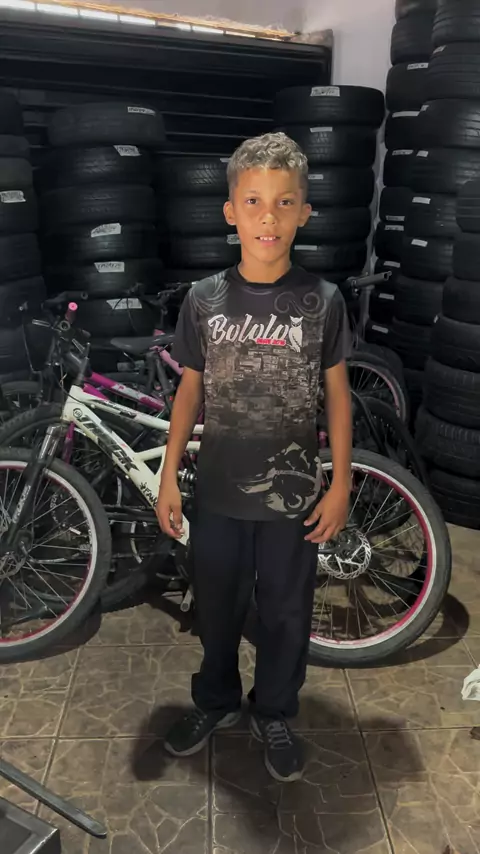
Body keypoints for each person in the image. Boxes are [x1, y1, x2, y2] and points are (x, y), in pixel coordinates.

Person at [156, 132, 352, 783]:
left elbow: (337, 395)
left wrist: (341, 482)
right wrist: (168, 474)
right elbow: (190, 390)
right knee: (216, 607)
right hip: (216, 493)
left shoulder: (322, 301)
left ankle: (274, 710)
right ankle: (215, 701)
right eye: (254, 201)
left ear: (304, 212)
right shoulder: (204, 299)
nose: (269, 216)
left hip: (292, 498)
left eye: (284, 201)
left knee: (286, 614)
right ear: (230, 211)